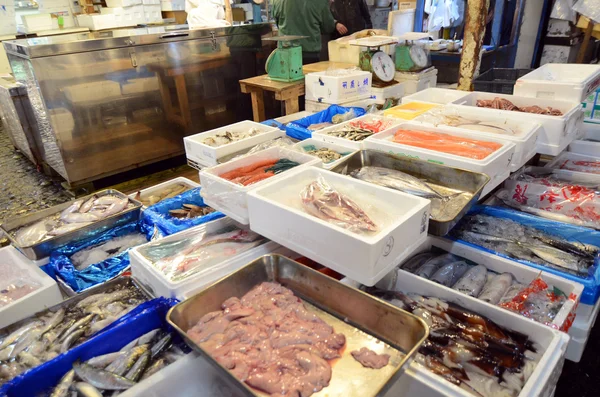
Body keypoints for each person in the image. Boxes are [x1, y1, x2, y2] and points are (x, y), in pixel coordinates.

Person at [272, 0, 348, 64]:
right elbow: (328, 27)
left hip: (285, 50)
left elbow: (277, 22)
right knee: (309, 80)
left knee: (286, 80)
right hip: (309, 52)